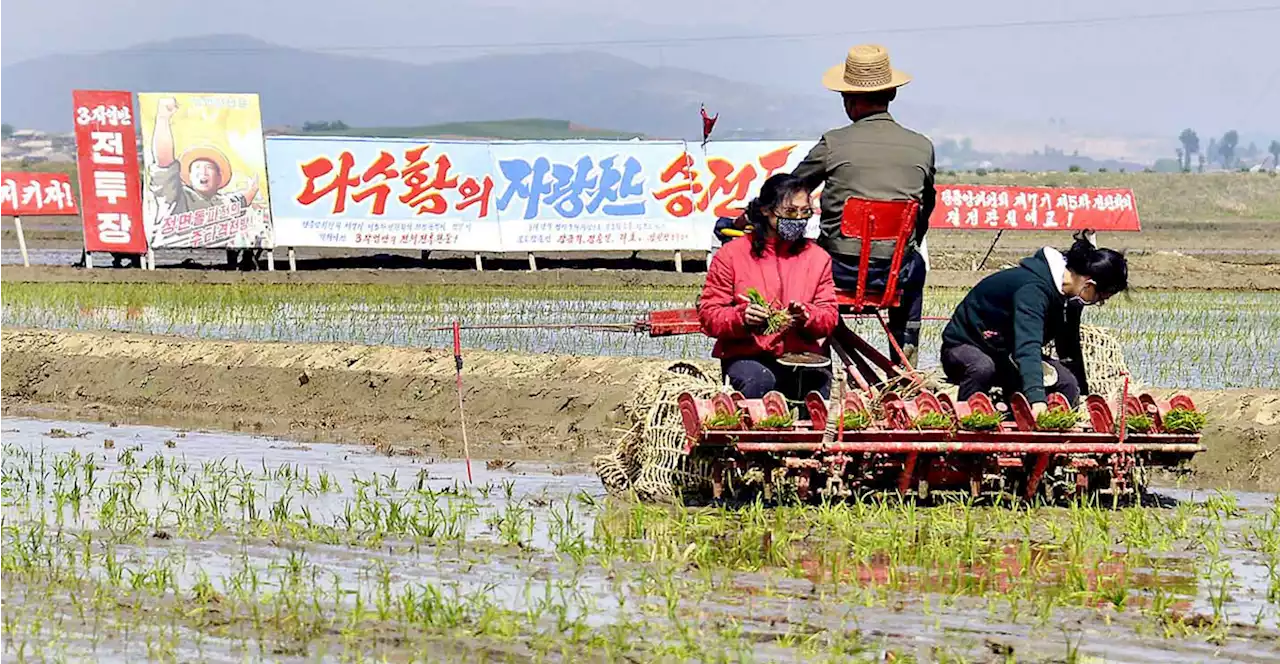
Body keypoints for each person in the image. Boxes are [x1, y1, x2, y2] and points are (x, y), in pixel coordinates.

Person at [791, 44, 936, 366]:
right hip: (895, 275)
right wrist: (903, 246)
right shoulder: (921, 146)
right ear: (892, 95)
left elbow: (791, 189)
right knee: (917, 266)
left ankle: (806, 353)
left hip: (837, 272)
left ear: (848, 100)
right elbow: (924, 211)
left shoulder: (834, 142)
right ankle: (904, 359)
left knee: (798, 262)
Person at [940, 230, 1128, 416]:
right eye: (1101, 297)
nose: (1099, 303)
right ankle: (966, 419)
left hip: (1006, 354)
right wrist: (1037, 400)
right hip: (966, 347)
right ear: (1089, 285)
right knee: (982, 368)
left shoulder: (1071, 300)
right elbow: (1027, 346)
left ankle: (1041, 435)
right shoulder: (1033, 290)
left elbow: (1069, 349)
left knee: (1067, 383)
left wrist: (1083, 393)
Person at [697, 174, 840, 402]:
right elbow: (709, 315)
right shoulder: (732, 255)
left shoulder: (818, 258)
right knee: (760, 382)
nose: (799, 219)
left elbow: (829, 315)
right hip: (749, 355)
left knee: (818, 395)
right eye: (790, 212)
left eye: (805, 213)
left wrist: (808, 315)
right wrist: (742, 316)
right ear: (766, 210)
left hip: (803, 355)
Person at [148, 97, 262, 270]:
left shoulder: (223, 202)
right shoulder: (176, 195)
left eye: (209, 168)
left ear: (219, 178)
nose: (203, 172)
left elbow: (242, 199)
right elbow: (164, 162)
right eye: (197, 168)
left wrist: (255, 185)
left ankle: (241, 261)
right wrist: (163, 119)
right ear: (188, 175)